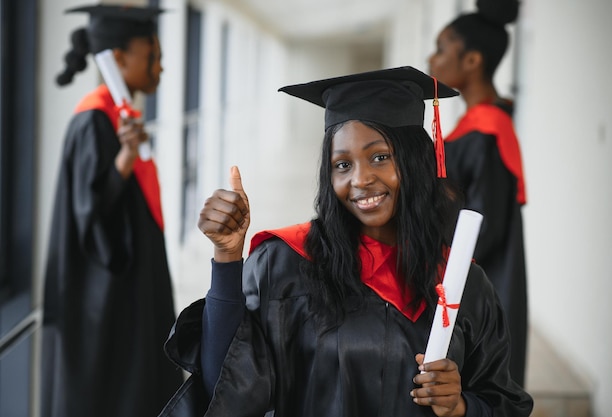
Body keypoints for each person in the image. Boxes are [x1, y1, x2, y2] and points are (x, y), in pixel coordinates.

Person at [158, 66, 533, 417]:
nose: (361, 179)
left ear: (416, 162)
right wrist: (226, 257)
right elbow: (225, 384)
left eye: (381, 157)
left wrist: (462, 405)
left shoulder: (461, 284)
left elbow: (502, 401)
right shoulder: (285, 263)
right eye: (343, 164)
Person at [41, 4, 182, 417]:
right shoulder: (92, 122)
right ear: (118, 59)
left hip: (132, 289)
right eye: (152, 56)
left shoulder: (121, 118)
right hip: (107, 300)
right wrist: (124, 159)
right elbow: (91, 218)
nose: (161, 67)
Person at [428, 3, 529, 387]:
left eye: (441, 48)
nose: (431, 58)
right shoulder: (476, 126)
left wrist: (441, 277)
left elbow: (485, 227)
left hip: (477, 286)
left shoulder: (489, 130)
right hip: (462, 278)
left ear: (472, 60)